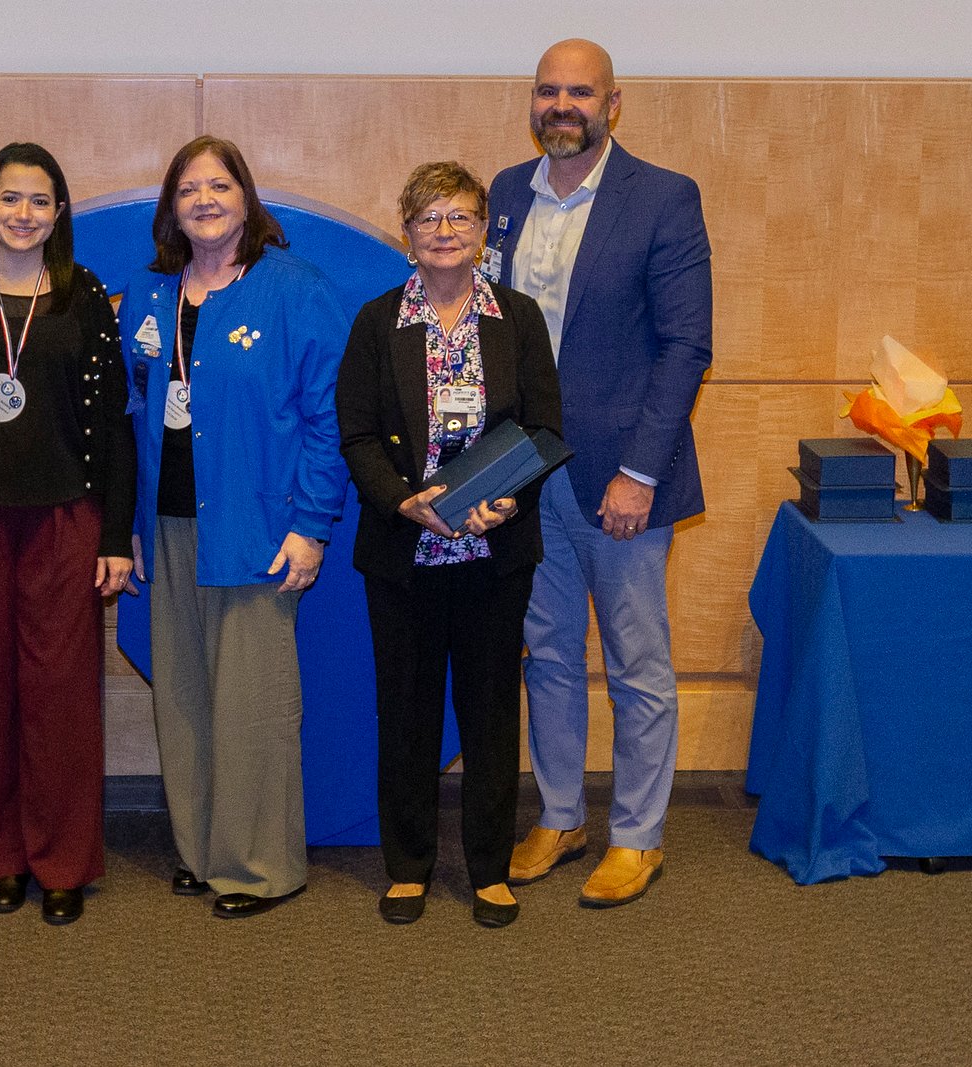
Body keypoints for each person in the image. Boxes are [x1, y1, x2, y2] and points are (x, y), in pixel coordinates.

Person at [482, 39, 713, 907]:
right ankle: (561, 812)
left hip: (621, 478)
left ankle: (640, 836)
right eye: (548, 91)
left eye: (581, 91)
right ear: (532, 102)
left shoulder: (663, 198)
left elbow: (687, 345)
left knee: (635, 660)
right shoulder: (505, 193)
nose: (562, 105)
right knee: (544, 653)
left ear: (614, 104)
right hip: (526, 474)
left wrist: (640, 472)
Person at [119, 136, 349, 919]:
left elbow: (328, 420)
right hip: (172, 525)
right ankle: (201, 850)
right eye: (190, 189)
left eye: (220, 186)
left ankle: (258, 866)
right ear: (171, 208)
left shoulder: (295, 291)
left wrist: (312, 526)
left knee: (252, 704)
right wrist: (132, 526)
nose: (206, 200)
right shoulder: (148, 299)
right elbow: (132, 414)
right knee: (182, 698)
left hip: (258, 527)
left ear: (246, 199)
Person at [337, 162, 561, 927]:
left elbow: (546, 428)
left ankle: (490, 870)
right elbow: (358, 434)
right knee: (406, 713)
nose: (444, 231)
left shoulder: (519, 319)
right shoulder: (376, 322)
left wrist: (505, 499)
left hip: (495, 557)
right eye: (429, 217)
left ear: (482, 231)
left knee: (492, 712)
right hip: (406, 554)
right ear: (406, 233)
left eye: (460, 217)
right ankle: (407, 867)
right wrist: (407, 503)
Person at [0, 143, 134, 926]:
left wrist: (114, 534)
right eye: (9, 198)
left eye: (40, 201)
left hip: (62, 520)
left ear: (60, 213)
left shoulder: (83, 297)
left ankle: (61, 860)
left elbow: (113, 424)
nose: (23, 214)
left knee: (60, 699)